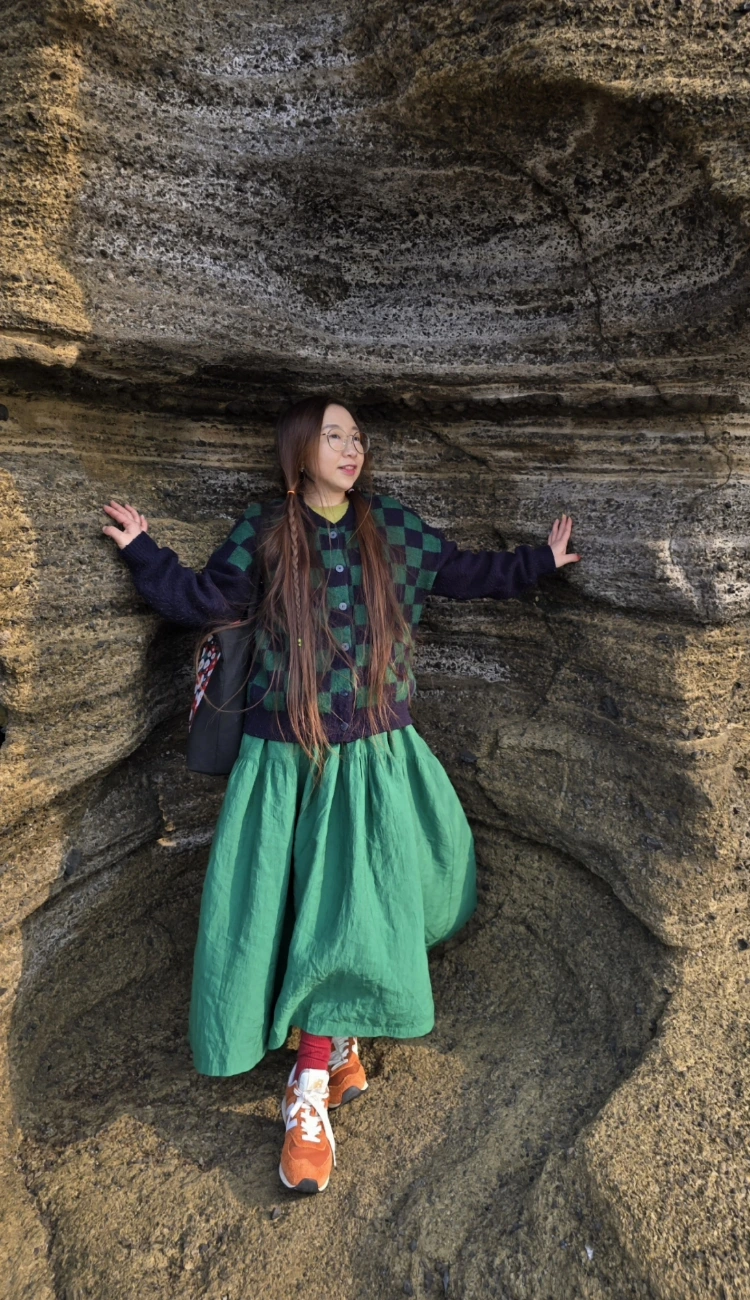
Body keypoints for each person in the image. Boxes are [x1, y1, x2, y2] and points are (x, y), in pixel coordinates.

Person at [102, 395, 580, 1195]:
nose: (350, 448)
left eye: (356, 437)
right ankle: (313, 1078)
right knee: (309, 911)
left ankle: (332, 1043)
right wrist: (143, 551)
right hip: (285, 762)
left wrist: (540, 561)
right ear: (300, 450)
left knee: (372, 902)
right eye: (333, 437)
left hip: (372, 759)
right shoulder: (265, 530)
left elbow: (457, 570)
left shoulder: (387, 524)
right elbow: (203, 601)